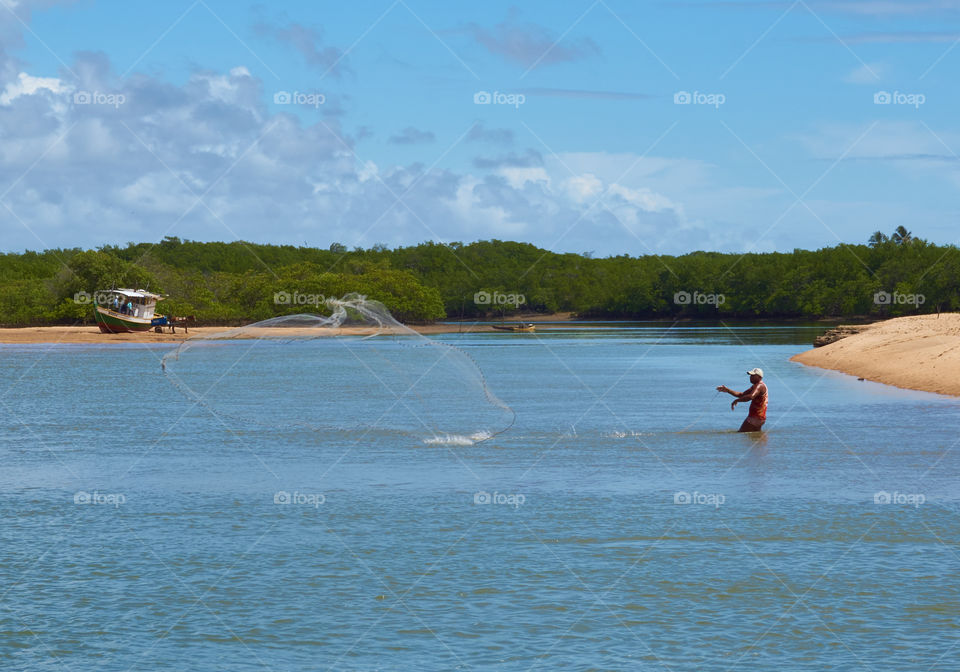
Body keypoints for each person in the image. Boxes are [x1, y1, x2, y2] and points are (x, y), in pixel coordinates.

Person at [717, 368, 768, 432]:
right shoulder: (755, 386)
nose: (750, 377)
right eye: (750, 375)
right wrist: (728, 390)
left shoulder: (759, 386)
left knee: (740, 434)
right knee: (756, 438)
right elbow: (742, 394)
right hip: (759, 418)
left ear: (759, 377)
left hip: (754, 418)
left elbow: (751, 396)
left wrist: (737, 400)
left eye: (753, 376)